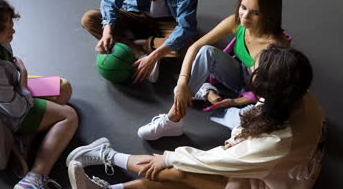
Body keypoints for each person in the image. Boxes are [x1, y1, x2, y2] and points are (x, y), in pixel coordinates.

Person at [66, 45, 325, 189]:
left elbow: (212, 161)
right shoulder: (301, 99)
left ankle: (109, 155)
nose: (249, 68)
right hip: (277, 170)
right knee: (178, 172)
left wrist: (169, 157)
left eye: (254, 69)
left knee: (177, 171)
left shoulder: (276, 143)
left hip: (269, 180)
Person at [137, 0, 291, 140]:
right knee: (206, 52)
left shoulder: (276, 46)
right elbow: (195, 47)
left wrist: (234, 102)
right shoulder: (236, 22)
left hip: (257, 94)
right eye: (243, 8)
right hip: (239, 75)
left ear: (269, 15)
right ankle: (173, 120)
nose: (245, 16)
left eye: (256, 13)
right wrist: (182, 83)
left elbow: (268, 96)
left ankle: (207, 92)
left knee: (252, 125)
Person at [0, 0, 78, 189]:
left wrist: (20, 81)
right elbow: (17, 109)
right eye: (4, 26)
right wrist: (24, 78)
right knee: (69, 116)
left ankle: (23, 141)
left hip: (8, 90)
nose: (12, 28)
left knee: (63, 89)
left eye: (10, 21)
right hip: (4, 114)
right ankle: (35, 177)